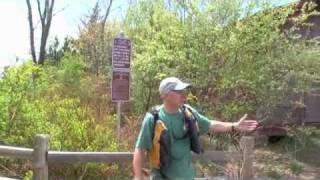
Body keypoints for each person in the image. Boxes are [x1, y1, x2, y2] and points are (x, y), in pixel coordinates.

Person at [133, 77, 258, 180]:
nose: (184, 95)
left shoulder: (188, 113)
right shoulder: (153, 118)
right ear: (166, 95)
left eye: (184, 91)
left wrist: (233, 126)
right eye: (179, 92)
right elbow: (140, 150)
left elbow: (210, 125)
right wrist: (138, 177)